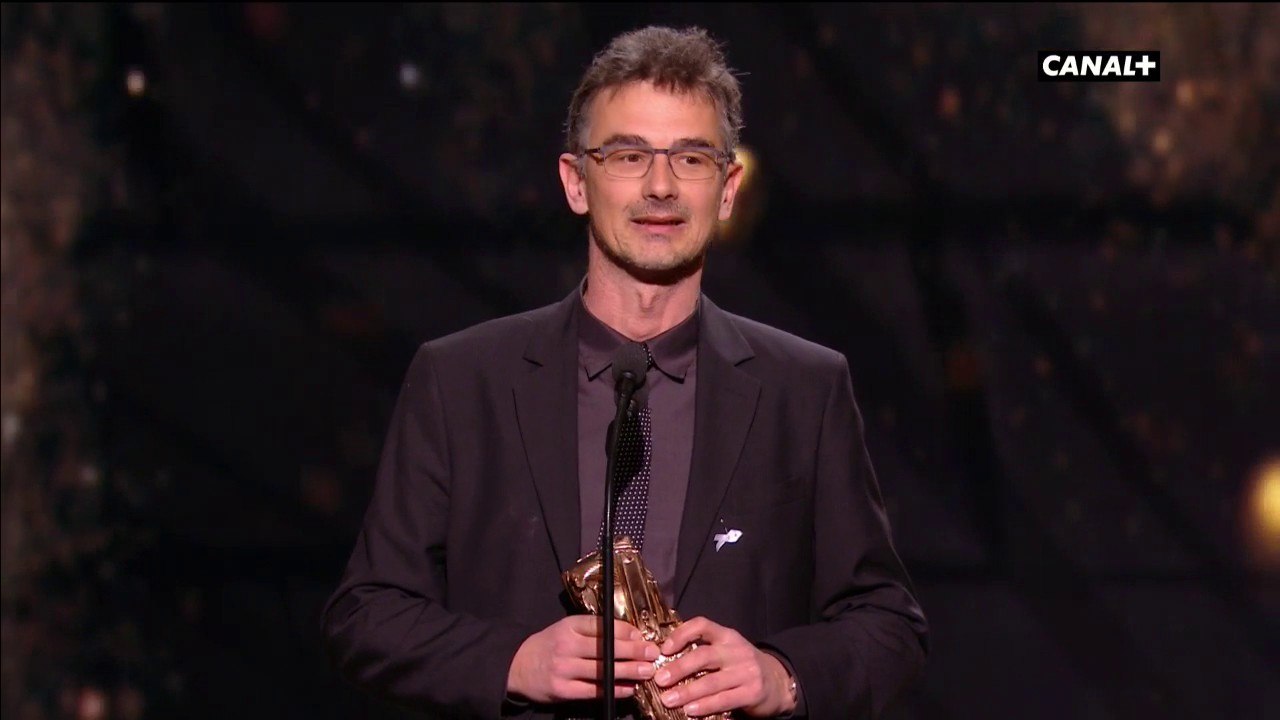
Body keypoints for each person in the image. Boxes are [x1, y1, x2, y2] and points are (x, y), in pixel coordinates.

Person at [322, 25, 927, 720]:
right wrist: (515, 661)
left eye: (692, 158)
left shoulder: (806, 390)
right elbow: (365, 614)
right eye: (630, 155)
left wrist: (779, 673)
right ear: (576, 182)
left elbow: (889, 625)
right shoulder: (460, 381)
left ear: (727, 190)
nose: (661, 185)